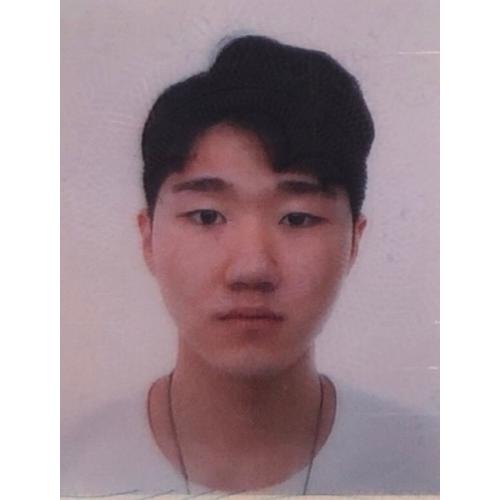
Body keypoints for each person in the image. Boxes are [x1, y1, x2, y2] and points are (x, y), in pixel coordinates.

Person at [61, 34, 438, 498]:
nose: (252, 269)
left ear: (354, 241)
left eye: (297, 218)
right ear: (148, 237)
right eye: (207, 216)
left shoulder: (433, 469)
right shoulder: (63, 474)